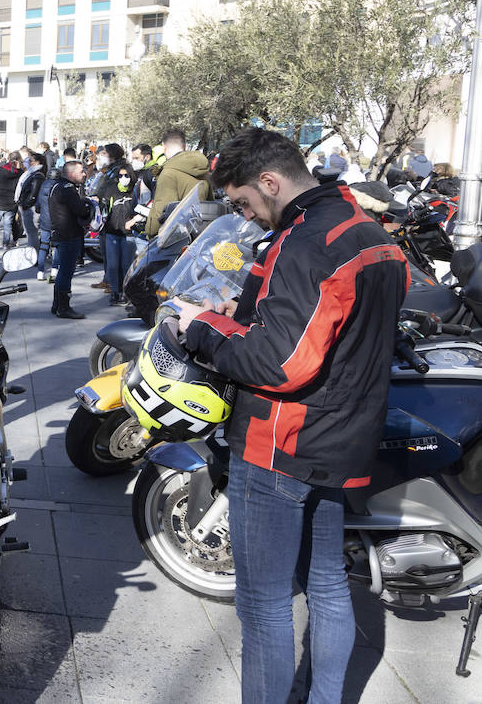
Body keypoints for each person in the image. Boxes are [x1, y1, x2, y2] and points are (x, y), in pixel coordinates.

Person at [175, 128, 408, 704]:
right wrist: (242, 310)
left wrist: (204, 328)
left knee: (264, 606)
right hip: (343, 438)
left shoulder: (306, 243)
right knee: (328, 585)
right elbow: (330, 330)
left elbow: (278, 364)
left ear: (270, 182)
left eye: (244, 203)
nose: (246, 217)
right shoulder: (365, 230)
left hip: (283, 443)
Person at [144, 129, 212, 238]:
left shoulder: (168, 173)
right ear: (185, 146)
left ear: (163, 147)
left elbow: (161, 211)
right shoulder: (202, 171)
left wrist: (149, 231)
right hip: (199, 236)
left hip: (175, 241)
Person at [47, 160, 93, 319]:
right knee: (66, 272)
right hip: (68, 235)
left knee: (62, 271)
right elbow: (80, 210)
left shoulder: (57, 186)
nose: (84, 174)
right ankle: (63, 307)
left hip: (61, 234)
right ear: (72, 174)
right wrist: (89, 205)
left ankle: (57, 305)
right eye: (81, 171)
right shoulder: (67, 189)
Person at [95, 148, 140, 306]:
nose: (123, 178)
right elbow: (104, 207)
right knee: (113, 265)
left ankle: (125, 293)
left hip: (129, 235)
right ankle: (115, 292)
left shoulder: (135, 190)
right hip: (112, 233)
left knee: (127, 266)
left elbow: (141, 208)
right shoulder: (111, 189)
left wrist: (134, 221)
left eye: (126, 175)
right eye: (120, 176)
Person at [0, 152, 23, 250]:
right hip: (11, 203)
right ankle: (5, 243)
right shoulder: (20, 173)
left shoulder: (0, 171)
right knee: (8, 225)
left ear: (8, 158)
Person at [16, 151, 45, 251]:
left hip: (31, 208)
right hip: (26, 206)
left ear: (37, 162)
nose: (29, 162)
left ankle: (34, 254)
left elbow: (34, 193)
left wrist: (25, 204)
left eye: (31, 161)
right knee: (30, 233)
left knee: (32, 233)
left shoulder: (37, 176)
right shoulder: (30, 174)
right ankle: (32, 251)